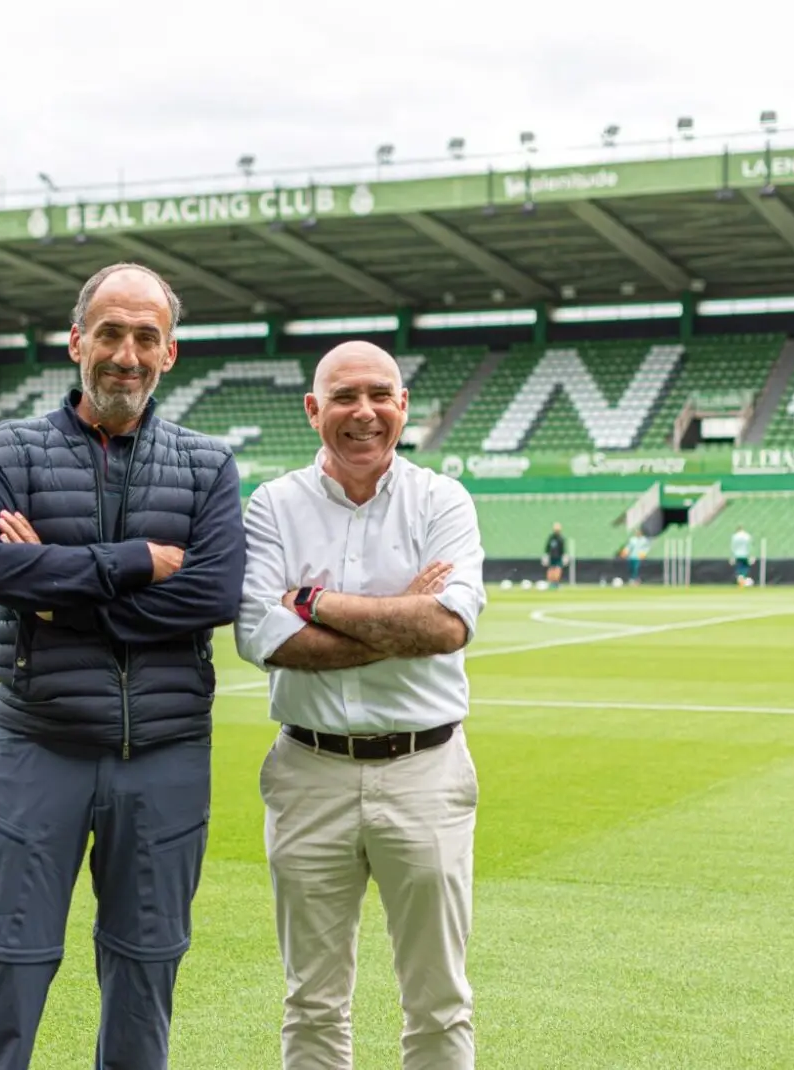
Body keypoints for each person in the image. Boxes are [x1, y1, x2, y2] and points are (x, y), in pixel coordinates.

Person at [0, 262, 246, 1070]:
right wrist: (132, 562)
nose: (126, 353)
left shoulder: (207, 466)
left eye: (145, 336)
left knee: (146, 969)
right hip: (37, 743)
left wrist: (55, 585)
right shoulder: (6, 451)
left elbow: (215, 595)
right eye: (110, 333)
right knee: (5, 963)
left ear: (170, 352)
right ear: (77, 341)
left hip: (165, 753)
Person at [235, 340, 488, 1070]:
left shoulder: (443, 499)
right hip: (308, 769)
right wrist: (398, 613)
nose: (364, 412)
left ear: (403, 406)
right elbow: (262, 637)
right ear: (314, 410)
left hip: (425, 772)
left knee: (439, 1002)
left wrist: (315, 604)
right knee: (312, 1003)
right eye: (344, 397)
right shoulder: (274, 505)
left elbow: (445, 627)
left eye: (381, 394)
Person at [543, 522, 568, 589]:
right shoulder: (551, 537)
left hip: (558, 556)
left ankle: (556, 583)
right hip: (551, 556)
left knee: (558, 569)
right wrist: (546, 555)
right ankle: (550, 583)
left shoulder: (561, 538)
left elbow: (562, 549)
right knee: (551, 569)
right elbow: (547, 547)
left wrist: (564, 556)